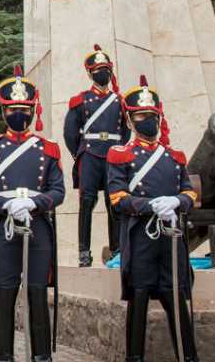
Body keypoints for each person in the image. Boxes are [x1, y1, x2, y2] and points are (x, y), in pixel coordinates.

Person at [0, 66, 65, 362]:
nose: (19, 114)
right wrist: (6, 205)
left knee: (37, 292)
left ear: (32, 110)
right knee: (5, 292)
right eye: (13, 108)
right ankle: (2, 356)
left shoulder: (48, 149)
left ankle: (41, 357)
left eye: (24, 108)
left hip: (37, 225)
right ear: (4, 111)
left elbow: (58, 191)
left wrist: (35, 204)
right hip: (5, 227)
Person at [107, 75, 198, 362]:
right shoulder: (120, 154)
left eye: (153, 115)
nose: (149, 120)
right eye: (142, 116)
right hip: (141, 237)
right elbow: (117, 198)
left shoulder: (174, 156)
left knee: (176, 297)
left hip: (171, 238)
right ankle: (134, 357)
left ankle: (188, 356)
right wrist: (150, 206)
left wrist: (177, 201)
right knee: (140, 296)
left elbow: (190, 193)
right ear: (131, 120)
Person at [63, 44, 130, 266]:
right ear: (90, 73)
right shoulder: (80, 101)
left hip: (112, 155)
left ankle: (117, 249)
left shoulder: (120, 102)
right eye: (99, 69)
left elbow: (126, 132)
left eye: (106, 69)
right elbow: (70, 132)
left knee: (115, 203)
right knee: (87, 202)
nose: (104, 73)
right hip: (90, 154)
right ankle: (84, 251)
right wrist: (79, 154)